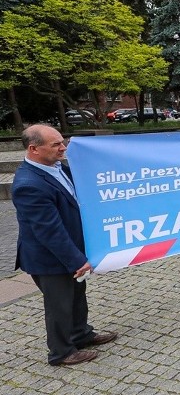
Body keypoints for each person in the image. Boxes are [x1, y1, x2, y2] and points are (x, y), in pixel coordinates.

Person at [12, 124, 117, 365]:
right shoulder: (29, 184)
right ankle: (60, 352)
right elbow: (49, 231)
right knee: (59, 304)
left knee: (77, 295)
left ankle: (81, 334)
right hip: (49, 258)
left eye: (63, 141)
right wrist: (76, 260)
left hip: (70, 249)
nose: (63, 148)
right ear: (34, 149)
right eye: (56, 144)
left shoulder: (58, 167)